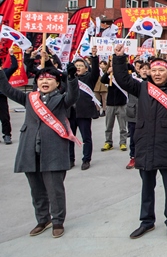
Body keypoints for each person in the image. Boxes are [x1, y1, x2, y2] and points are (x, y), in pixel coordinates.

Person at [112, 43, 167, 240]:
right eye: (154, 70)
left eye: (161, 70)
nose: (157, 74)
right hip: (145, 143)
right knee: (146, 186)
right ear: (148, 71)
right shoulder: (141, 87)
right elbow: (122, 79)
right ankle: (147, 221)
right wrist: (119, 58)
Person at [0, 63, 78, 238]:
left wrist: (72, 79)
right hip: (29, 150)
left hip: (53, 150)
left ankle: (58, 221)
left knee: (54, 189)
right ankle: (43, 219)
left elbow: (73, 96)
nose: (45, 81)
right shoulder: (30, 99)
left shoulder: (61, 99)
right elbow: (6, 89)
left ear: (57, 83)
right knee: (36, 189)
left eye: (49, 79)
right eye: (41, 79)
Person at [70, 47, 100, 170]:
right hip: (70, 113)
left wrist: (94, 57)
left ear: (86, 68)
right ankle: (70, 159)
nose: (78, 67)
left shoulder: (89, 78)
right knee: (70, 138)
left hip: (84, 113)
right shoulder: (70, 79)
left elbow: (96, 72)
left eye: (81, 65)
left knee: (86, 138)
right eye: (76, 65)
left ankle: (86, 159)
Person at [124, 61, 149, 169]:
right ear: (138, 70)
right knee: (134, 137)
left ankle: (146, 156)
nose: (144, 70)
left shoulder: (153, 83)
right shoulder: (133, 81)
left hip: (147, 114)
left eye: (147, 68)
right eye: (142, 68)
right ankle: (133, 157)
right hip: (133, 113)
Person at [100, 60, 128, 151]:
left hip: (122, 103)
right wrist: (108, 72)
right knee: (108, 125)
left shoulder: (124, 73)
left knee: (123, 126)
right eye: (112, 62)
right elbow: (103, 80)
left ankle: (123, 142)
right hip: (110, 103)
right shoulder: (109, 74)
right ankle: (108, 142)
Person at [0, 52, 18, 144]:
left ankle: (7, 135)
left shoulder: (4, 73)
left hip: (1, 98)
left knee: (4, 118)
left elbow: (14, 66)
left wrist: (11, 55)